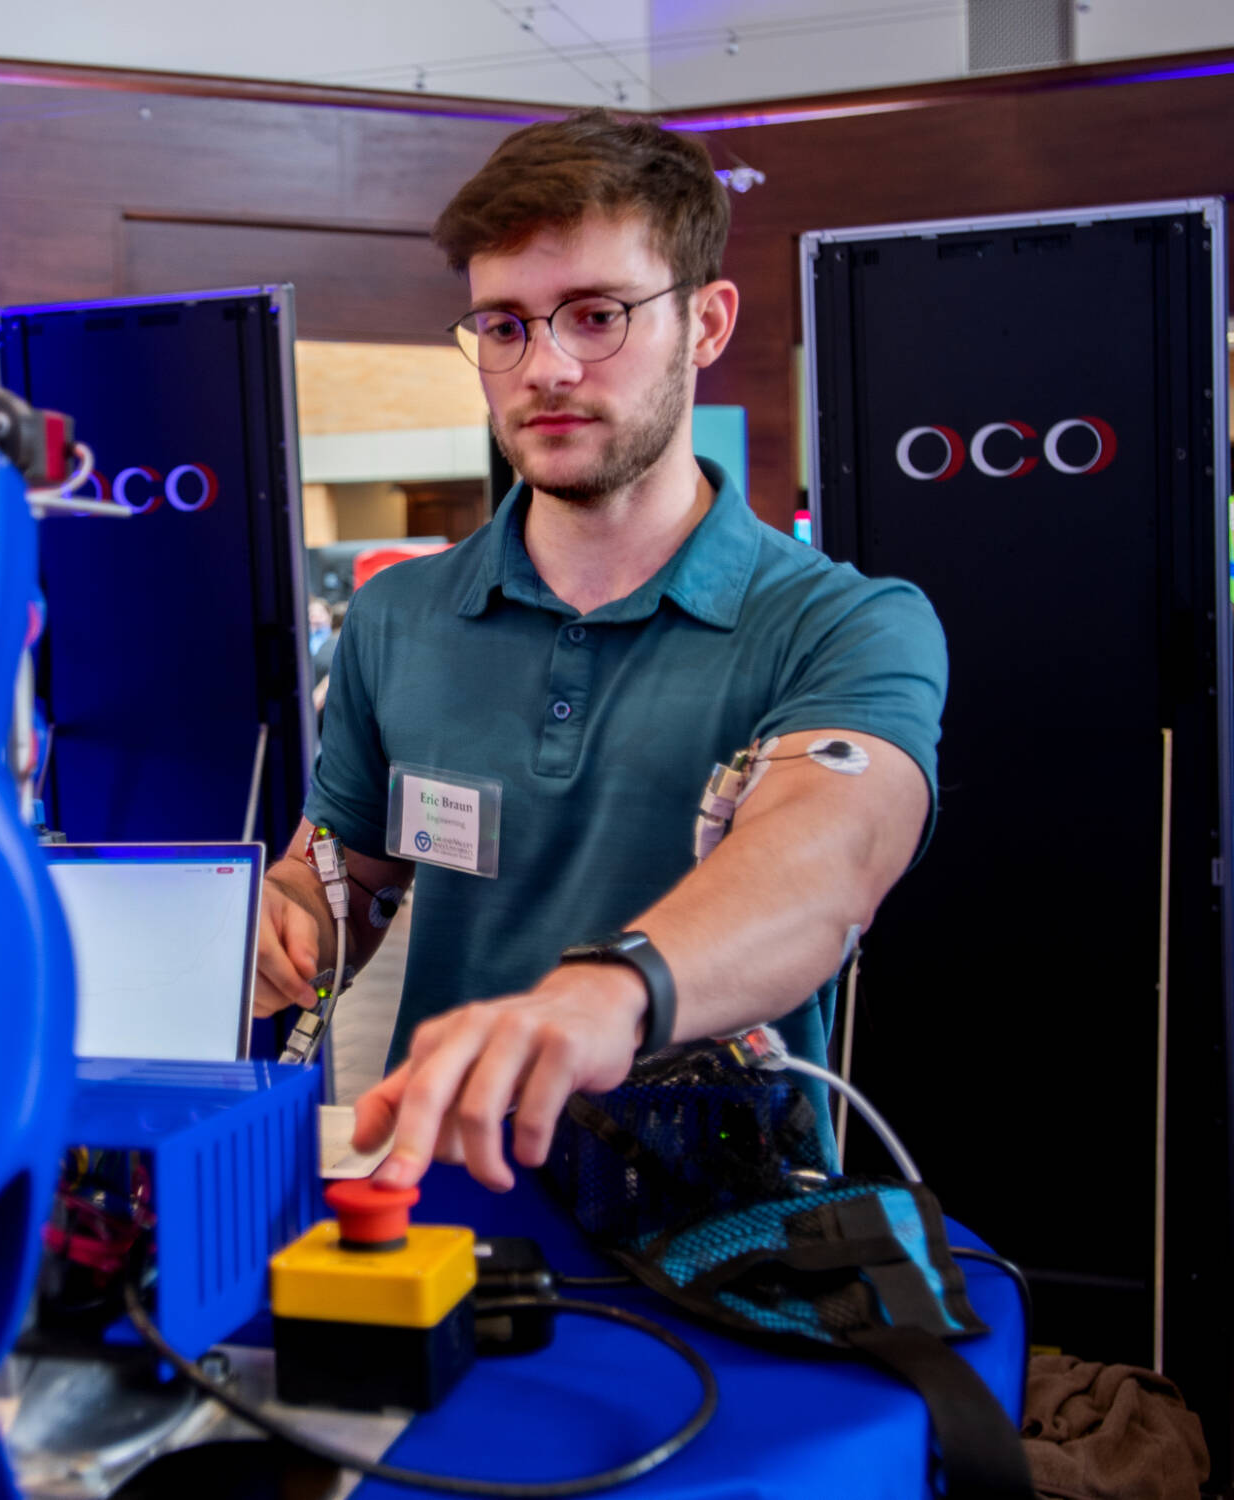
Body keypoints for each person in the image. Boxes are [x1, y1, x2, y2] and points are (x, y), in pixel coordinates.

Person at [253, 112, 946, 1194]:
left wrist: (606, 993)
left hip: (717, 1224)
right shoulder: (402, 619)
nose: (545, 366)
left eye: (594, 315)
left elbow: (823, 865)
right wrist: (283, 920)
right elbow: (349, 880)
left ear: (706, 323)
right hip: (432, 1200)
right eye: (504, 326)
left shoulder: (840, 622)